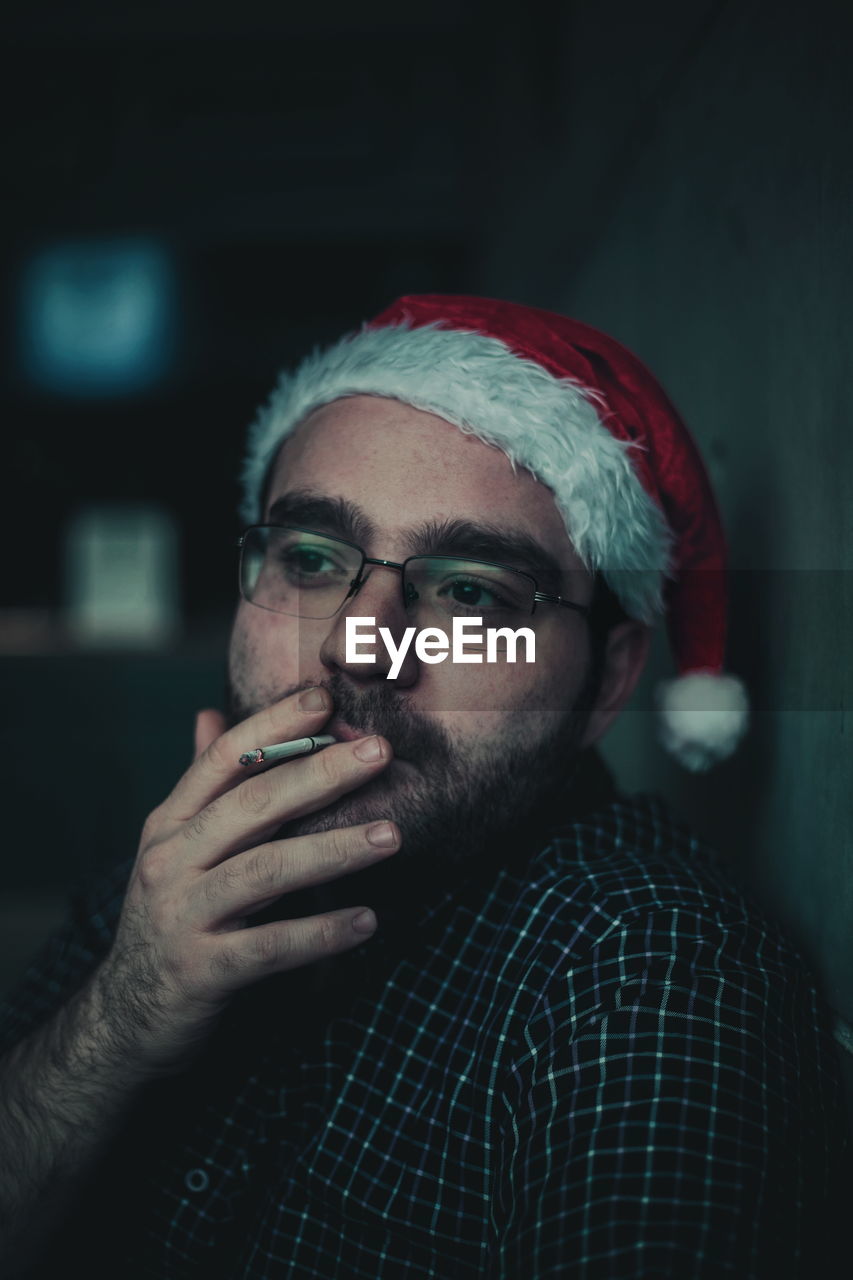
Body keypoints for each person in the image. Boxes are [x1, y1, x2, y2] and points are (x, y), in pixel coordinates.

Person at [0, 295, 847, 1278]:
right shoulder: (169, 879)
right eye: (312, 559)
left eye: (471, 590)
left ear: (607, 680)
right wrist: (120, 1012)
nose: (358, 646)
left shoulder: (653, 978)